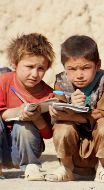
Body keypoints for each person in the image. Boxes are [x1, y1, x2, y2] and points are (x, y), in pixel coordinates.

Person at [45, 35, 104, 182]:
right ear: (64, 67)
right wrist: (58, 110)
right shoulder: (61, 82)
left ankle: (102, 168)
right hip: (72, 151)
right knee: (62, 127)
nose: (79, 75)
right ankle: (66, 169)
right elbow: (58, 113)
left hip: (97, 147)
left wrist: (73, 115)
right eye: (71, 69)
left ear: (97, 65)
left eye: (85, 68)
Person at [0, 33, 55, 180]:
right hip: (2, 145)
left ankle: (32, 167)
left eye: (41, 68)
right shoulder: (3, 82)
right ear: (14, 63)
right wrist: (17, 111)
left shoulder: (48, 95)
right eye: (29, 66)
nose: (34, 74)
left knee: (24, 125)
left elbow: (48, 135)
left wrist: (36, 118)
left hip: (23, 151)